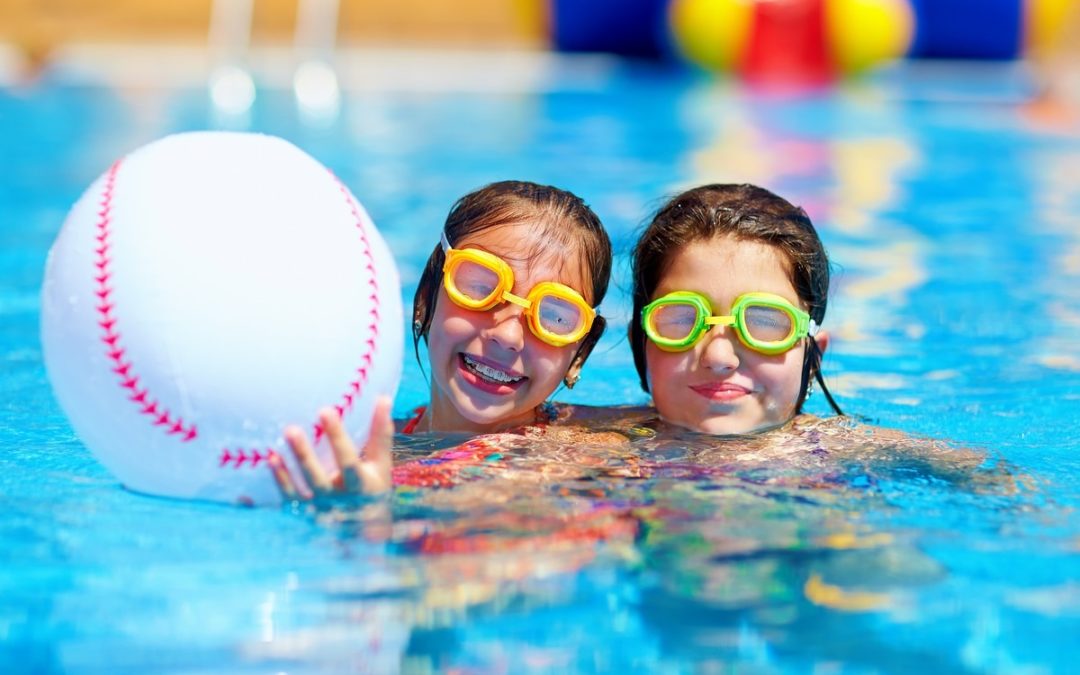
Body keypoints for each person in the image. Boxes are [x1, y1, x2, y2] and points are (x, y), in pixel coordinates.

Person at [270, 180, 612, 499]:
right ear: (425, 299)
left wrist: (369, 517)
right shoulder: (366, 446)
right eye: (481, 287)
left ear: (579, 353)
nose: (508, 336)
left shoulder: (575, 469)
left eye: (555, 317)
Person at [629, 182, 844, 435]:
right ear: (638, 346)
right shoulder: (590, 451)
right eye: (682, 319)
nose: (719, 358)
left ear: (814, 359)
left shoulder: (867, 461)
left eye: (764, 322)